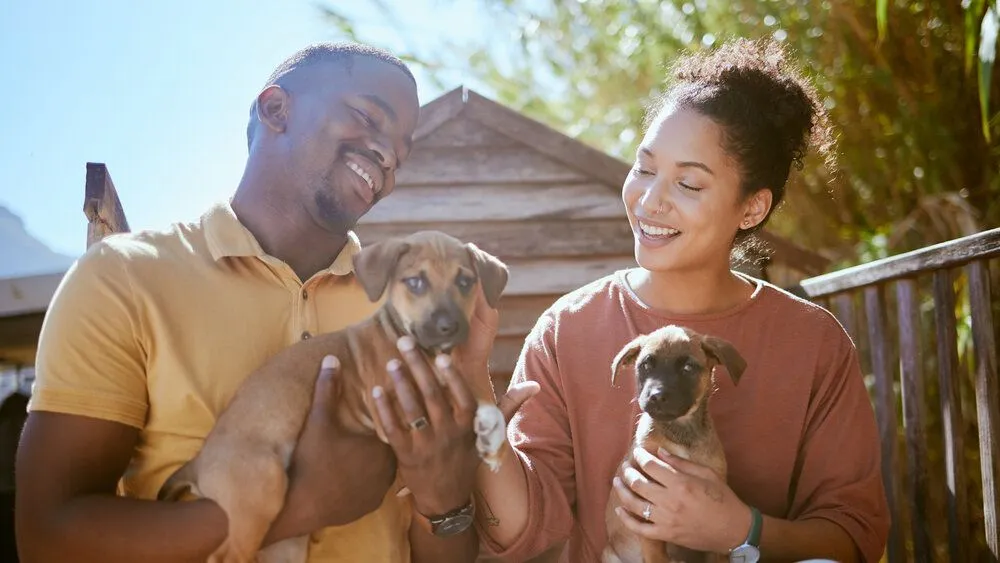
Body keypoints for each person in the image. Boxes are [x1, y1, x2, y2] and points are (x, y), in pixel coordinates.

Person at [389, 38, 890, 562]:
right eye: (645, 168)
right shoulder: (569, 329)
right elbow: (524, 533)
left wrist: (740, 528)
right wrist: (479, 402)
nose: (650, 200)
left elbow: (853, 539)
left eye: (689, 184)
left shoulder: (813, 342)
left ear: (751, 207)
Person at [15, 42, 490, 563]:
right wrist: (299, 506)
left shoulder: (409, 314)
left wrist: (445, 502)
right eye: (366, 116)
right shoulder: (125, 277)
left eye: (404, 148)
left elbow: (447, 542)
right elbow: (48, 536)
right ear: (275, 109)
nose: (390, 154)